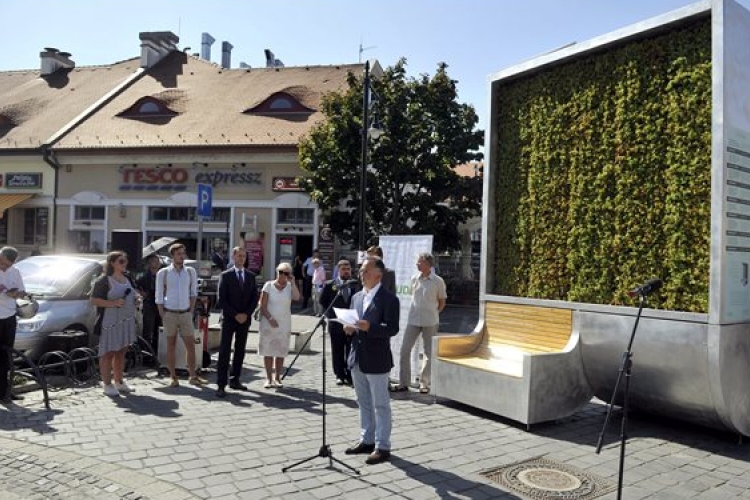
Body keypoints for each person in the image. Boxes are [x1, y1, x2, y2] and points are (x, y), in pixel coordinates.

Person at [343, 256, 400, 465]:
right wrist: (348, 327)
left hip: (377, 359)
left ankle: (382, 446)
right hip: (357, 357)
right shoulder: (357, 297)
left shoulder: (389, 299)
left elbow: (392, 328)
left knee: (380, 405)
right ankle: (367, 440)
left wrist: (371, 327)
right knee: (363, 402)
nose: (361, 273)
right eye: (361, 270)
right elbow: (351, 323)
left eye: (366, 270)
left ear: (379, 274)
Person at [392, 252, 446, 394]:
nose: (417, 264)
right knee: (405, 350)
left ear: (428, 264)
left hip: (430, 321)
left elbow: (442, 302)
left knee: (428, 353)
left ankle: (424, 383)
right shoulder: (414, 278)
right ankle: (404, 383)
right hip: (413, 320)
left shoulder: (438, 281)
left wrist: (434, 313)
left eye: (419, 262)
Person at [155, 243, 207, 387]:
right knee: (171, 345)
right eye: (179, 254)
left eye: (183, 253)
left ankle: (193, 375)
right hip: (169, 313)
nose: (182, 256)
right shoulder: (163, 273)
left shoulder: (190, 271)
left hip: (185, 313)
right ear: (172, 256)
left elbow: (193, 292)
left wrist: (190, 311)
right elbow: (158, 295)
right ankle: (173, 376)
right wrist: (162, 313)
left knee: (190, 345)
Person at [90, 251, 139, 397]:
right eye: (121, 261)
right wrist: (113, 303)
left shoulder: (128, 277)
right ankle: (107, 384)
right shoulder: (103, 280)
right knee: (108, 352)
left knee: (121, 351)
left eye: (125, 261)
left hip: (126, 320)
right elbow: (93, 300)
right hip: (110, 321)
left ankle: (119, 381)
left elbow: (134, 293)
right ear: (112, 263)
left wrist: (137, 299)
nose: (124, 264)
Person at [216, 247, 259, 398]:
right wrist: (235, 315)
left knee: (240, 350)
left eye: (244, 256)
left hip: (244, 320)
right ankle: (221, 384)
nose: (241, 259)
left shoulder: (251, 276)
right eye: (239, 256)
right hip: (229, 319)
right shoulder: (225, 276)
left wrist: (246, 314)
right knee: (224, 351)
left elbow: (255, 299)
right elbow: (221, 300)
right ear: (233, 257)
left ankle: (235, 379)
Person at [258, 262, 300, 388]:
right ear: (277, 272)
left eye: (286, 273)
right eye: (280, 272)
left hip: (284, 323)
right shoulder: (268, 285)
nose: (282, 275)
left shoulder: (289, 287)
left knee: (281, 351)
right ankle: (269, 378)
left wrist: (292, 283)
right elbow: (262, 305)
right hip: (268, 322)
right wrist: (270, 318)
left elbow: (297, 297)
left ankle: (277, 378)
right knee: (268, 350)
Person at [319, 259, 359, 386]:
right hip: (336, 323)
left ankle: (349, 375)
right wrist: (332, 314)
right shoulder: (331, 284)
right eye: (343, 269)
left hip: (352, 323)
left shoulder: (356, 284)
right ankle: (339, 375)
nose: (346, 271)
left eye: (348, 269)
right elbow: (323, 301)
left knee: (350, 349)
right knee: (337, 350)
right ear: (338, 270)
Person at [0, 246, 25, 403]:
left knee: (6, 355)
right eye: (2, 261)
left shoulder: (15, 272)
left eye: (6, 263)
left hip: (9, 316)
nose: (3, 265)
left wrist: (15, 293)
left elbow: (22, 291)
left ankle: (5, 391)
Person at [136, 253, 163, 362]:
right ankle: (146, 356)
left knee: (159, 330)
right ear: (149, 263)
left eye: (158, 261)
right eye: (154, 261)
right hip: (149, 304)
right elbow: (136, 285)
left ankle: (157, 354)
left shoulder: (163, 274)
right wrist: (142, 293)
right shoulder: (144, 276)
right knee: (148, 330)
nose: (156, 263)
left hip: (161, 304)